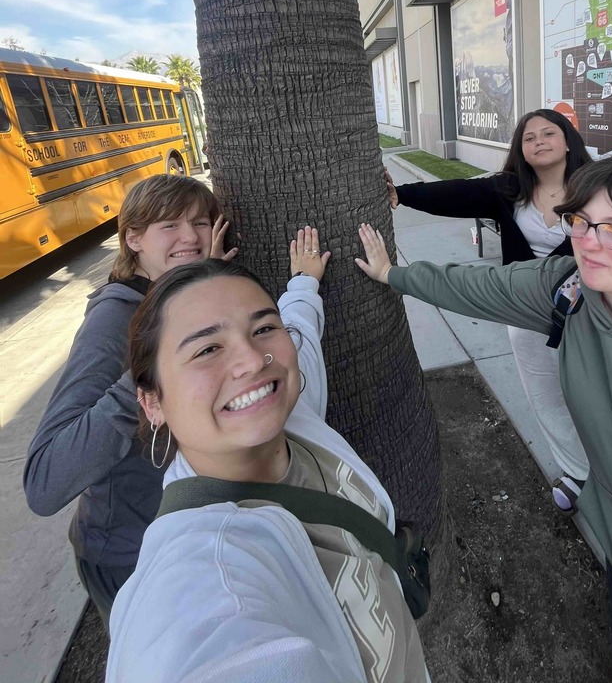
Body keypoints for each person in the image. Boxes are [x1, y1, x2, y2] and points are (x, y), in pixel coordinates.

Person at [356, 156, 612, 681]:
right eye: (580, 222)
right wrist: (395, 275)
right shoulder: (571, 293)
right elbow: (481, 288)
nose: (588, 241)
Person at [105, 248, 430, 683]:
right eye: (206, 349)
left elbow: (301, 333)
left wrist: (303, 284)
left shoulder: (293, 412)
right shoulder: (205, 572)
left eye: (262, 327)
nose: (254, 361)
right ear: (152, 401)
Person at [23, 174, 240, 626]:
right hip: (128, 556)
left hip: (178, 536)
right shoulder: (113, 319)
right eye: (169, 226)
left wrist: (203, 288)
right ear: (134, 239)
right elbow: (45, 482)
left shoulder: (172, 295)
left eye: (201, 223)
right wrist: (145, 378)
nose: (190, 238)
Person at [385, 108, 592, 512]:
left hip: (592, 311)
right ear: (521, 150)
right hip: (528, 313)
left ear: (568, 140)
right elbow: (458, 192)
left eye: (548, 133)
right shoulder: (508, 189)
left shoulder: (596, 188)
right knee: (546, 395)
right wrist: (402, 195)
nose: (538, 141)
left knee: (592, 393)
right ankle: (576, 471)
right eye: (528, 138)